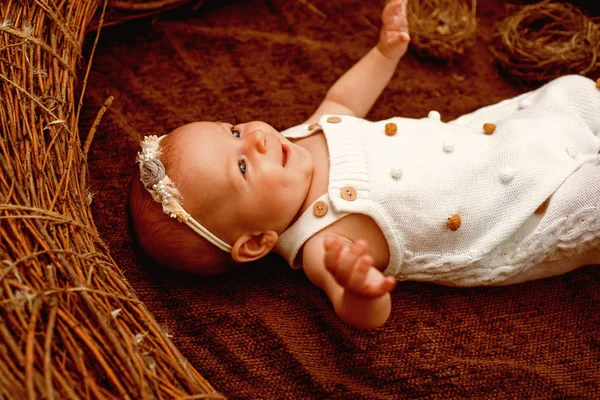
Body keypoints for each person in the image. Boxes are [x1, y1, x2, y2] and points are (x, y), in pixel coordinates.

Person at [129, 0, 600, 329]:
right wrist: (362, 289)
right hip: (509, 211)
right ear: (255, 242)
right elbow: (356, 311)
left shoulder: (300, 137)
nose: (254, 138)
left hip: (492, 144)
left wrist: (384, 52)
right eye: (243, 167)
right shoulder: (320, 245)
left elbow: (342, 101)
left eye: (232, 129)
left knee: (572, 98)